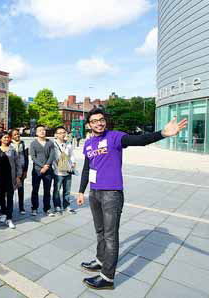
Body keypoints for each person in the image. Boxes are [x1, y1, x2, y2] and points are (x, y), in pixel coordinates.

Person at [77, 107, 187, 290]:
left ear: (105, 121)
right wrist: (81, 191)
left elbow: (140, 140)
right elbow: (87, 169)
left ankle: (107, 278)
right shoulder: (88, 144)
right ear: (89, 125)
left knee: (111, 236)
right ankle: (100, 259)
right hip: (94, 193)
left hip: (111, 194)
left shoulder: (114, 137)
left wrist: (163, 133)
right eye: (94, 121)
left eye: (101, 119)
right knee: (100, 230)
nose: (99, 123)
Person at [0, 132, 22, 229]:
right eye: (4, 137)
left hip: (10, 177)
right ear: (0, 139)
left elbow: (18, 163)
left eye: (8, 137)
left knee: (10, 197)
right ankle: (4, 213)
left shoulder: (12, 149)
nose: (6, 139)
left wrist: (18, 176)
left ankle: (9, 217)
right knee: (1, 196)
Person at [29, 125, 56, 216]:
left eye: (43, 130)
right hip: (37, 170)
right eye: (40, 130)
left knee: (47, 190)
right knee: (35, 190)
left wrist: (46, 166)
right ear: (36, 133)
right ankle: (34, 208)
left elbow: (52, 155)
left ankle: (47, 208)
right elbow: (33, 157)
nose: (42, 132)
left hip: (48, 171)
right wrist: (42, 166)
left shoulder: (50, 143)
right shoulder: (33, 143)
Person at [52, 126, 76, 216]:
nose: (63, 134)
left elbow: (71, 155)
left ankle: (66, 205)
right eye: (60, 133)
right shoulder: (53, 144)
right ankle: (57, 206)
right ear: (56, 135)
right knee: (57, 190)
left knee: (67, 190)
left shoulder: (68, 144)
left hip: (68, 170)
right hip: (57, 172)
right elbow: (52, 157)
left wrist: (73, 163)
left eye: (64, 132)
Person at [10, 128, 28, 214]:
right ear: (11, 136)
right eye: (15, 134)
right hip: (11, 171)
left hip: (21, 170)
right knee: (11, 190)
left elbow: (26, 158)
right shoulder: (9, 144)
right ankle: (10, 207)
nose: (17, 136)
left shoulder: (23, 144)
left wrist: (25, 171)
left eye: (18, 134)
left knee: (21, 189)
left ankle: (21, 207)